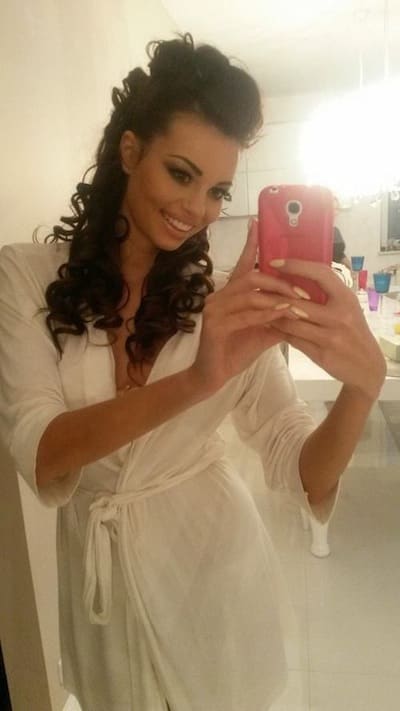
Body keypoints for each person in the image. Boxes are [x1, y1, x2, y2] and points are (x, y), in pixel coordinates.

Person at [0, 34, 386, 711]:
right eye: (181, 174)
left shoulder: (223, 306)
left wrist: (362, 389)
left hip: (214, 578)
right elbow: (40, 451)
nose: (198, 209)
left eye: (217, 190)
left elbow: (301, 470)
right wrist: (197, 378)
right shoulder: (25, 276)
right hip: (105, 591)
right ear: (130, 152)